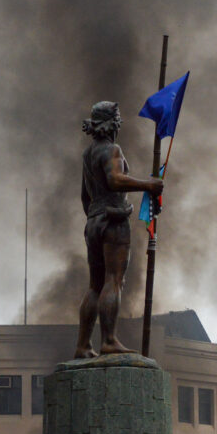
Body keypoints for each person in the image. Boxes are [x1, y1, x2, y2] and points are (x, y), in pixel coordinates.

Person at [75, 101, 164, 358]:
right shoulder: (112, 149)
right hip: (113, 222)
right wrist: (148, 185)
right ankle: (109, 340)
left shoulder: (88, 154)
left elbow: (84, 196)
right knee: (113, 280)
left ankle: (82, 345)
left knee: (95, 285)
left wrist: (95, 217)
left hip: (93, 221)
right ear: (113, 122)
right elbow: (115, 180)